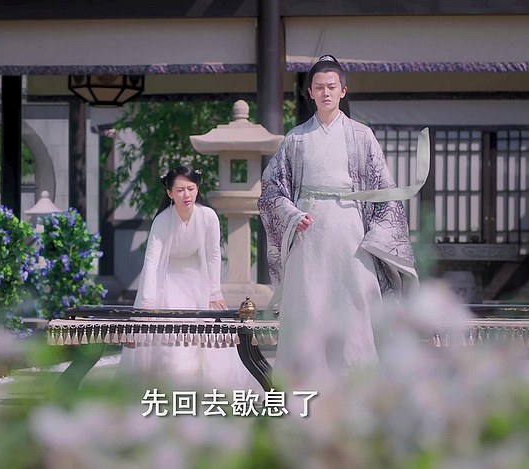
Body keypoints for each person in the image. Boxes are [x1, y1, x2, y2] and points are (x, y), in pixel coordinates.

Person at [258, 55, 419, 385]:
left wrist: (377, 237)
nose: (326, 93)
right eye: (319, 87)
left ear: (343, 91)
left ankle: (358, 382)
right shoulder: (296, 139)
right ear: (310, 93)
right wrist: (291, 215)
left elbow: (384, 190)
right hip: (308, 233)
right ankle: (302, 384)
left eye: (332, 87)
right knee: (307, 304)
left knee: (356, 301)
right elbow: (270, 190)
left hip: (351, 232)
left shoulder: (362, 136)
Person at [120, 166, 256, 391]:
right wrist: (148, 302)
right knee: (173, 344)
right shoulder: (162, 221)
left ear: (197, 189)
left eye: (191, 189)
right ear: (170, 193)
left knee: (208, 340)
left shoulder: (208, 217)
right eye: (180, 190)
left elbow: (213, 255)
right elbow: (152, 262)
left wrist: (214, 291)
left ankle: (206, 392)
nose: (186, 195)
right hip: (167, 280)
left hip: (197, 280)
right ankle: (172, 390)